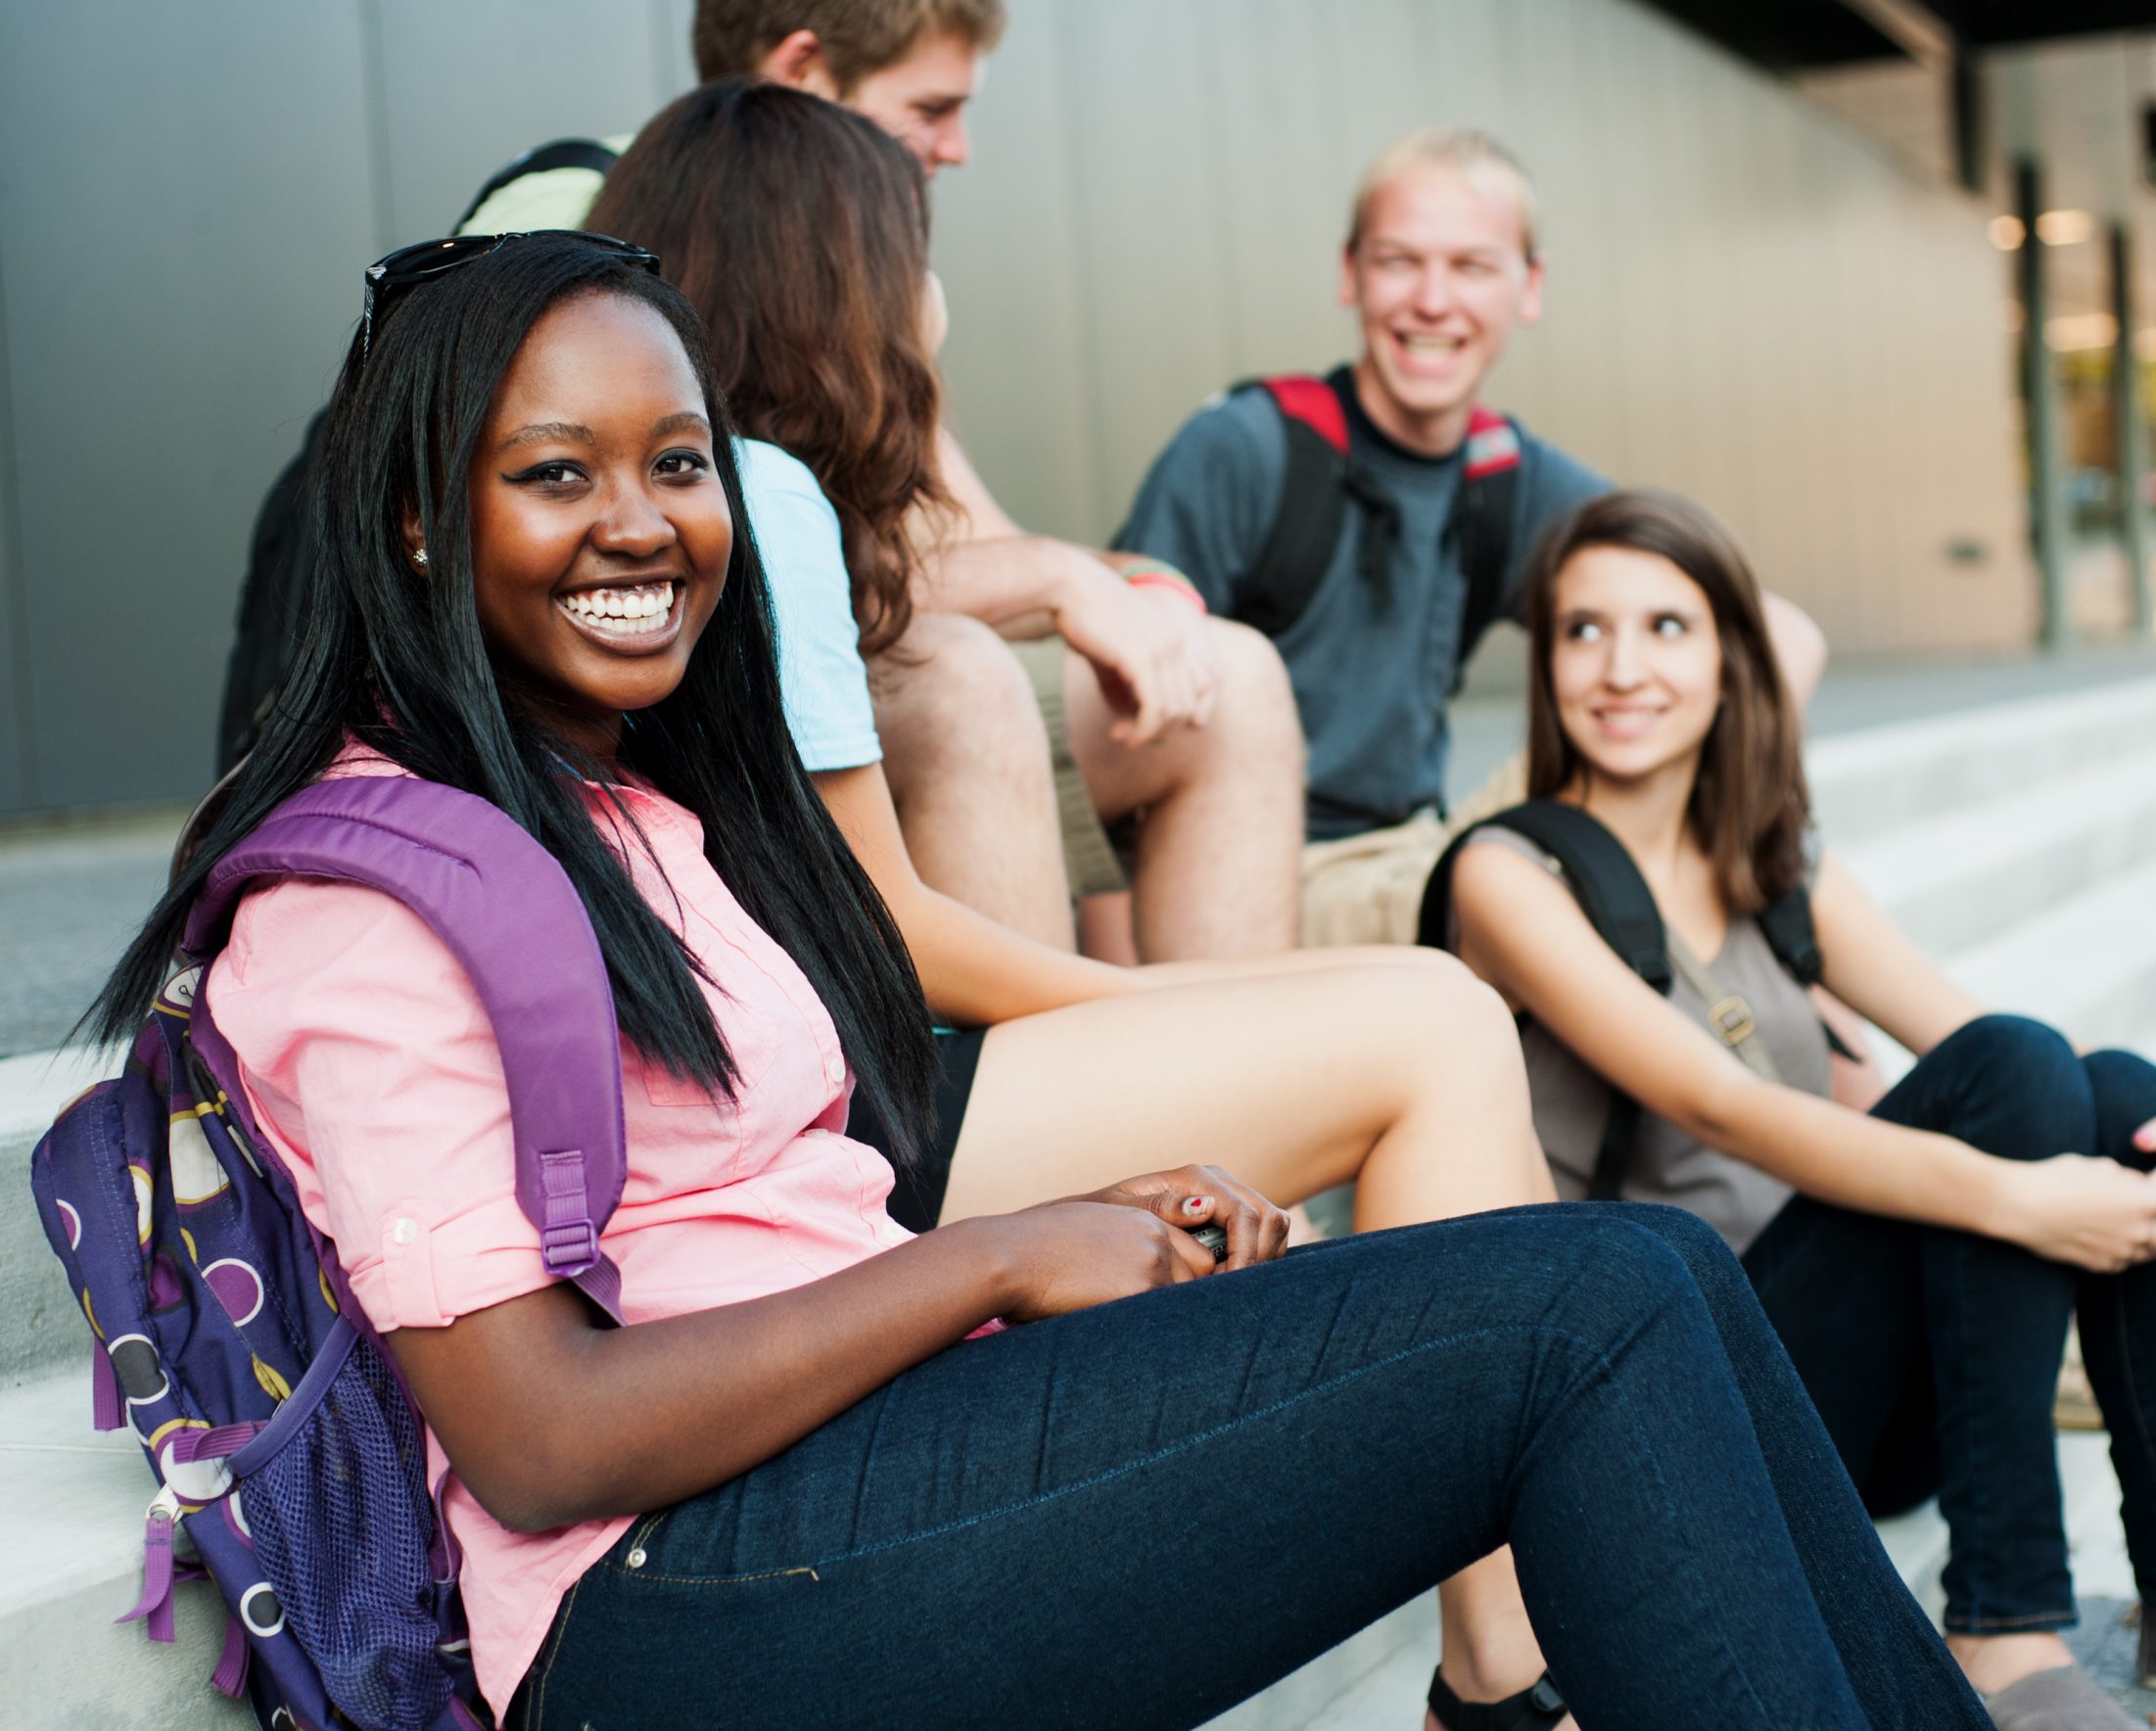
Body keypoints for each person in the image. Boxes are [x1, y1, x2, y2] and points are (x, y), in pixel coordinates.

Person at [96, 233, 1994, 1731]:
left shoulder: (625, 804)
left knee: (1652, 1270)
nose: (641, 520)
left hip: (868, 1455)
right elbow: (538, 1438)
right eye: (553, 474)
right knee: (1593, 1307)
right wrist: (1000, 1254)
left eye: (676, 462)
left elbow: (763, 1209)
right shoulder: (364, 899)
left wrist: (1072, 1226)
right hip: (676, 1603)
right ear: (420, 519)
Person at [1436, 489, 2156, 1731]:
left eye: (1666, 627)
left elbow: (1980, 1031)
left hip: (1839, 1400)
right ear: (1547, 664)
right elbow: (1713, 1101)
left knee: (2116, 1092)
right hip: (1668, 1410)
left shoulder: (1773, 860)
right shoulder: (1506, 873)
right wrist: (2018, 1199)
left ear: (1730, 659)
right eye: (1583, 631)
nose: (1623, 668)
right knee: (2012, 1076)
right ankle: (1999, 1626)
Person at [469, 0, 1301, 961]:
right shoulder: (577, 230)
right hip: (665, 715)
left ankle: (1213, 1037)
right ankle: (1054, 1039)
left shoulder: (842, 282)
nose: (957, 150)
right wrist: (1057, 581)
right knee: (958, 677)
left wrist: (1132, 586)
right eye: (931, 108)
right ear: (804, 69)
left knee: (1229, 675)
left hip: (806, 681)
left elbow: (964, 545)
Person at [1113, 128, 1830, 949]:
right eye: (1398, 262)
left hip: (1421, 844)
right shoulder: (1249, 447)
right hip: (1263, 875)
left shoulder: (1510, 478)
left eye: (1472, 267)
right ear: (1351, 272)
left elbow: (1784, 639)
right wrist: (1123, 988)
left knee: (1674, 767)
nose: (1432, 301)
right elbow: (1115, 740)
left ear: (1530, 285)